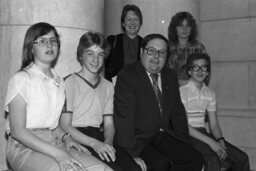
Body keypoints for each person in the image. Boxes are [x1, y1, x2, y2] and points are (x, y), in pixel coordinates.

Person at [4, 22, 112, 171]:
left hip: (54, 141)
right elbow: (18, 131)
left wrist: (66, 138)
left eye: (53, 40)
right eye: (42, 41)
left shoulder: (59, 82)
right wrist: (59, 154)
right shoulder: (22, 79)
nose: (49, 45)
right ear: (31, 47)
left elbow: (53, 126)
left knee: (101, 168)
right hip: (23, 147)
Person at [114, 33, 204, 171]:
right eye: (151, 51)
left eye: (162, 53)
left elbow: (177, 112)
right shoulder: (127, 76)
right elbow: (124, 119)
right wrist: (131, 154)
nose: (156, 57)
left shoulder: (170, 75)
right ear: (141, 52)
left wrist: (184, 141)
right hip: (139, 138)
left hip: (163, 134)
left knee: (194, 158)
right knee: (160, 164)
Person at [60, 31, 141, 171]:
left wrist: (108, 143)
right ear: (81, 55)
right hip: (76, 135)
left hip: (97, 134)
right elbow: (65, 125)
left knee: (134, 168)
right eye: (90, 53)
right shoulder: (69, 82)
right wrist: (96, 144)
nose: (95, 59)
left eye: (100, 54)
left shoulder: (108, 86)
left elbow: (109, 124)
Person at [179, 53, 250, 171]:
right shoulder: (182, 92)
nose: (200, 71)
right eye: (195, 67)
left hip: (203, 133)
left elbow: (214, 125)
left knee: (241, 158)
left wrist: (220, 141)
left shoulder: (210, 93)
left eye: (204, 67)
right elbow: (185, 127)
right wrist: (212, 143)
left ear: (208, 72)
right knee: (212, 159)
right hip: (188, 134)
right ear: (189, 71)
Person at [167, 11, 207, 86]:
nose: (184, 29)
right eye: (180, 25)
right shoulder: (167, 47)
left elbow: (205, 71)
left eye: (188, 26)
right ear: (174, 28)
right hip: (170, 90)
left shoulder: (199, 48)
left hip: (193, 90)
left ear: (192, 29)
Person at [105, 4, 143, 81]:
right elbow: (103, 66)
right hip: (115, 89)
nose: (132, 22)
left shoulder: (145, 43)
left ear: (140, 23)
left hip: (137, 89)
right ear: (123, 23)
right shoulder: (112, 41)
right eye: (129, 19)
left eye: (136, 19)